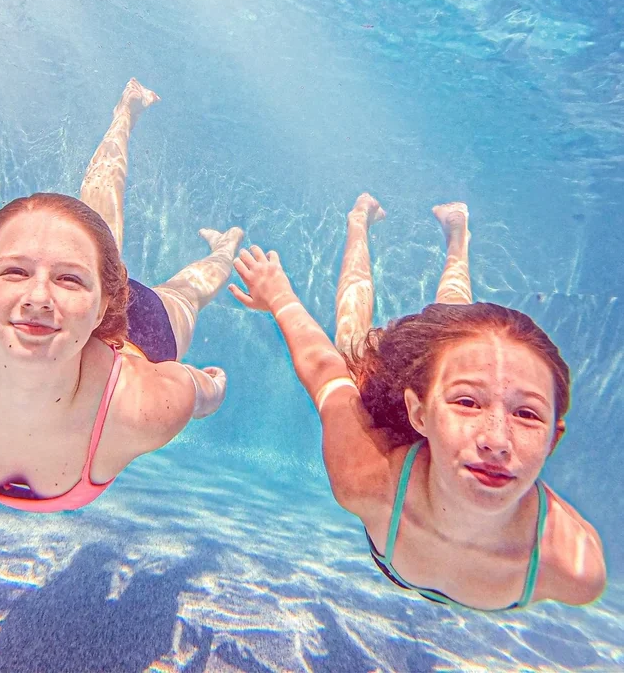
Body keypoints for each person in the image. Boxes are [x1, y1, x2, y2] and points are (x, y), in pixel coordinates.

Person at [0, 79, 243, 512]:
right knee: (96, 241)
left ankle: (225, 247)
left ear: (107, 302)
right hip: (48, 302)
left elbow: (200, 391)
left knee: (185, 293)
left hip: (136, 340)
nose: (37, 297)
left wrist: (213, 389)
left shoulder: (142, 405)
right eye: (14, 271)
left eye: (68, 280)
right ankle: (125, 111)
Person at [230, 196, 606, 609]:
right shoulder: (368, 479)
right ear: (418, 413)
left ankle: (457, 237)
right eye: (468, 403)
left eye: (527, 413)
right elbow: (325, 370)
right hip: (402, 407)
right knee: (353, 348)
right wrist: (279, 297)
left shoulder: (573, 568)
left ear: (554, 438)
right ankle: (359, 222)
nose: (496, 441)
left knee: (456, 335)